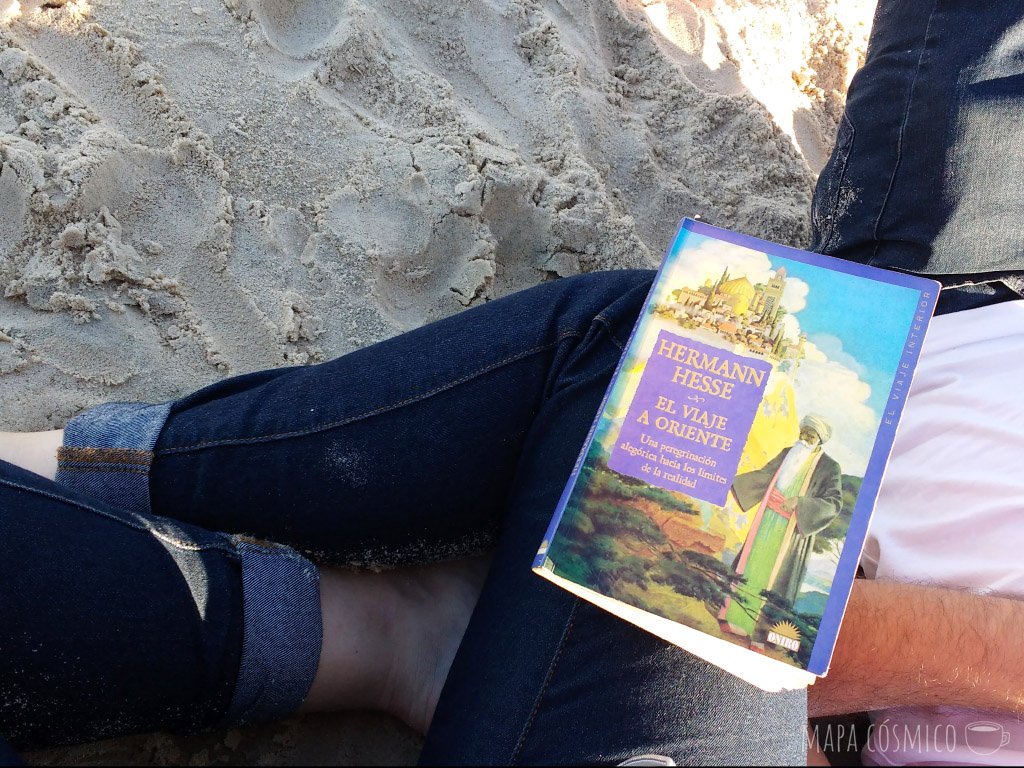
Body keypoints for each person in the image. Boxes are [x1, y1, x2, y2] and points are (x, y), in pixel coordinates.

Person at [4, 2, 1024, 767]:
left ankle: (373, 621)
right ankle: (388, 624)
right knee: (706, 355)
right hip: (965, 332)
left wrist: (806, 635)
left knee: (697, 360)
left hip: (828, 621)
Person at [720, 415, 841, 638]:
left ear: (820, 439)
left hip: (792, 531)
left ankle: (759, 634)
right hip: (766, 522)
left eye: (810, 435)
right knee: (751, 566)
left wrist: (800, 502)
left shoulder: (830, 467)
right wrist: (731, 480)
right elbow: (765, 475)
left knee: (775, 580)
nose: (804, 438)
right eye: (803, 432)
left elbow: (834, 503)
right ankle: (732, 616)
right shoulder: (788, 452)